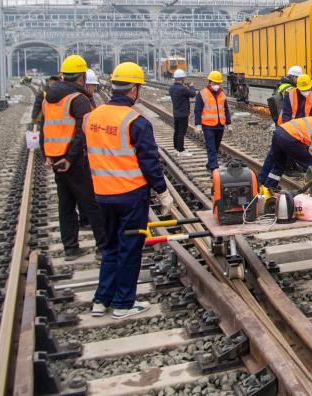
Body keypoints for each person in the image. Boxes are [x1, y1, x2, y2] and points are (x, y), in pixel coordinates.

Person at [84, 61, 172, 319]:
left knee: (110, 246)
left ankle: (101, 300)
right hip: (130, 196)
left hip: (102, 195)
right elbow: (149, 163)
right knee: (130, 248)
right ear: (134, 89)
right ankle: (123, 303)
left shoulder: (92, 117)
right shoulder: (136, 122)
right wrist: (162, 192)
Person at [40, 55, 107, 261]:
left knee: (66, 205)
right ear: (81, 77)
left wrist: (47, 155)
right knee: (91, 204)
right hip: (75, 161)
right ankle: (103, 247)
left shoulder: (48, 99)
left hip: (56, 159)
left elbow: (44, 128)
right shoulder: (78, 99)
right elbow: (82, 133)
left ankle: (70, 248)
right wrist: (70, 157)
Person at [259, 116, 312, 191]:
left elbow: (307, 139)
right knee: (311, 164)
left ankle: (267, 186)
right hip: (289, 139)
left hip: (279, 132)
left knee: (279, 165)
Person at [194, 71, 231, 172]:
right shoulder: (202, 94)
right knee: (211, 147)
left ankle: (210, 164)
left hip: (220, 125)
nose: (217, 85)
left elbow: (226, 109)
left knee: (216, 146)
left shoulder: (222, 94)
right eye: (215, 83)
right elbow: (197, 110)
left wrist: (229, 123)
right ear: (210, 82)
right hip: (208, 125)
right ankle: (214, 168)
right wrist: (198, 124)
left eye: (218, 83)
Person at [169, 69, 196, 156]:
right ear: (182, 78)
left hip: (176, 113)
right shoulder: (183, 89)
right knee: (182, 132)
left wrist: (185, 87)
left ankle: (176, 148)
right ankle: (181, 150)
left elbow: (183, 93)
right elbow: (192, 94)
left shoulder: (171, 88)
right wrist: (191, 86)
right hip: (183, 114)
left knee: (177, 131)